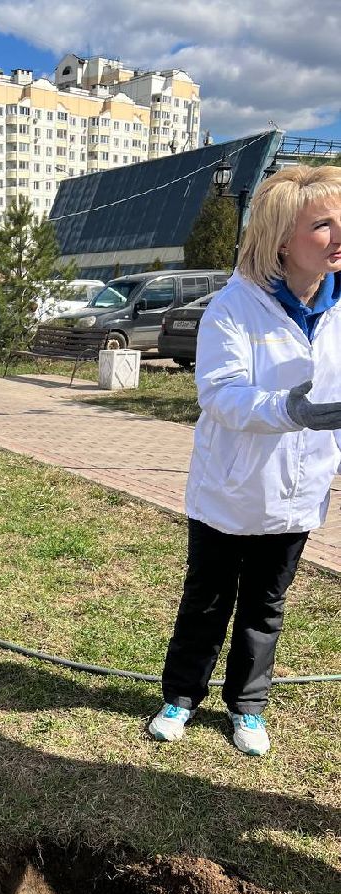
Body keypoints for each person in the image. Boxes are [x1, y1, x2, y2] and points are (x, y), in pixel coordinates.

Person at [150, 165, 341, 756]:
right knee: (208, 598)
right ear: (283, 237)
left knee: (267, 604)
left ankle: (248, 706)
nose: (338, 237)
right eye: (324, 225)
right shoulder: (235, 307)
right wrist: (290, 410)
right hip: (231, 489)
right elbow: (220, 394)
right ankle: (181, 696)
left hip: (299, 491)